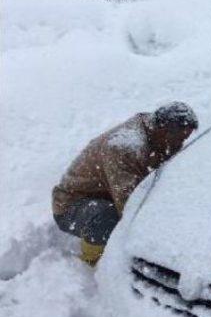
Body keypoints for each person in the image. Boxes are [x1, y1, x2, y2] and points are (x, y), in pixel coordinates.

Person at [52, 102, 198, 265]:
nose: (180, 145)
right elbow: (129, 204)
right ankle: (91, 263)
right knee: (108, 217)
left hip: (107, 194)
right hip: (72, 205)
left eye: (185, 139)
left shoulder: (157, 135)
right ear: (163, 130)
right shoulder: (123, 148)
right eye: (179, 138)